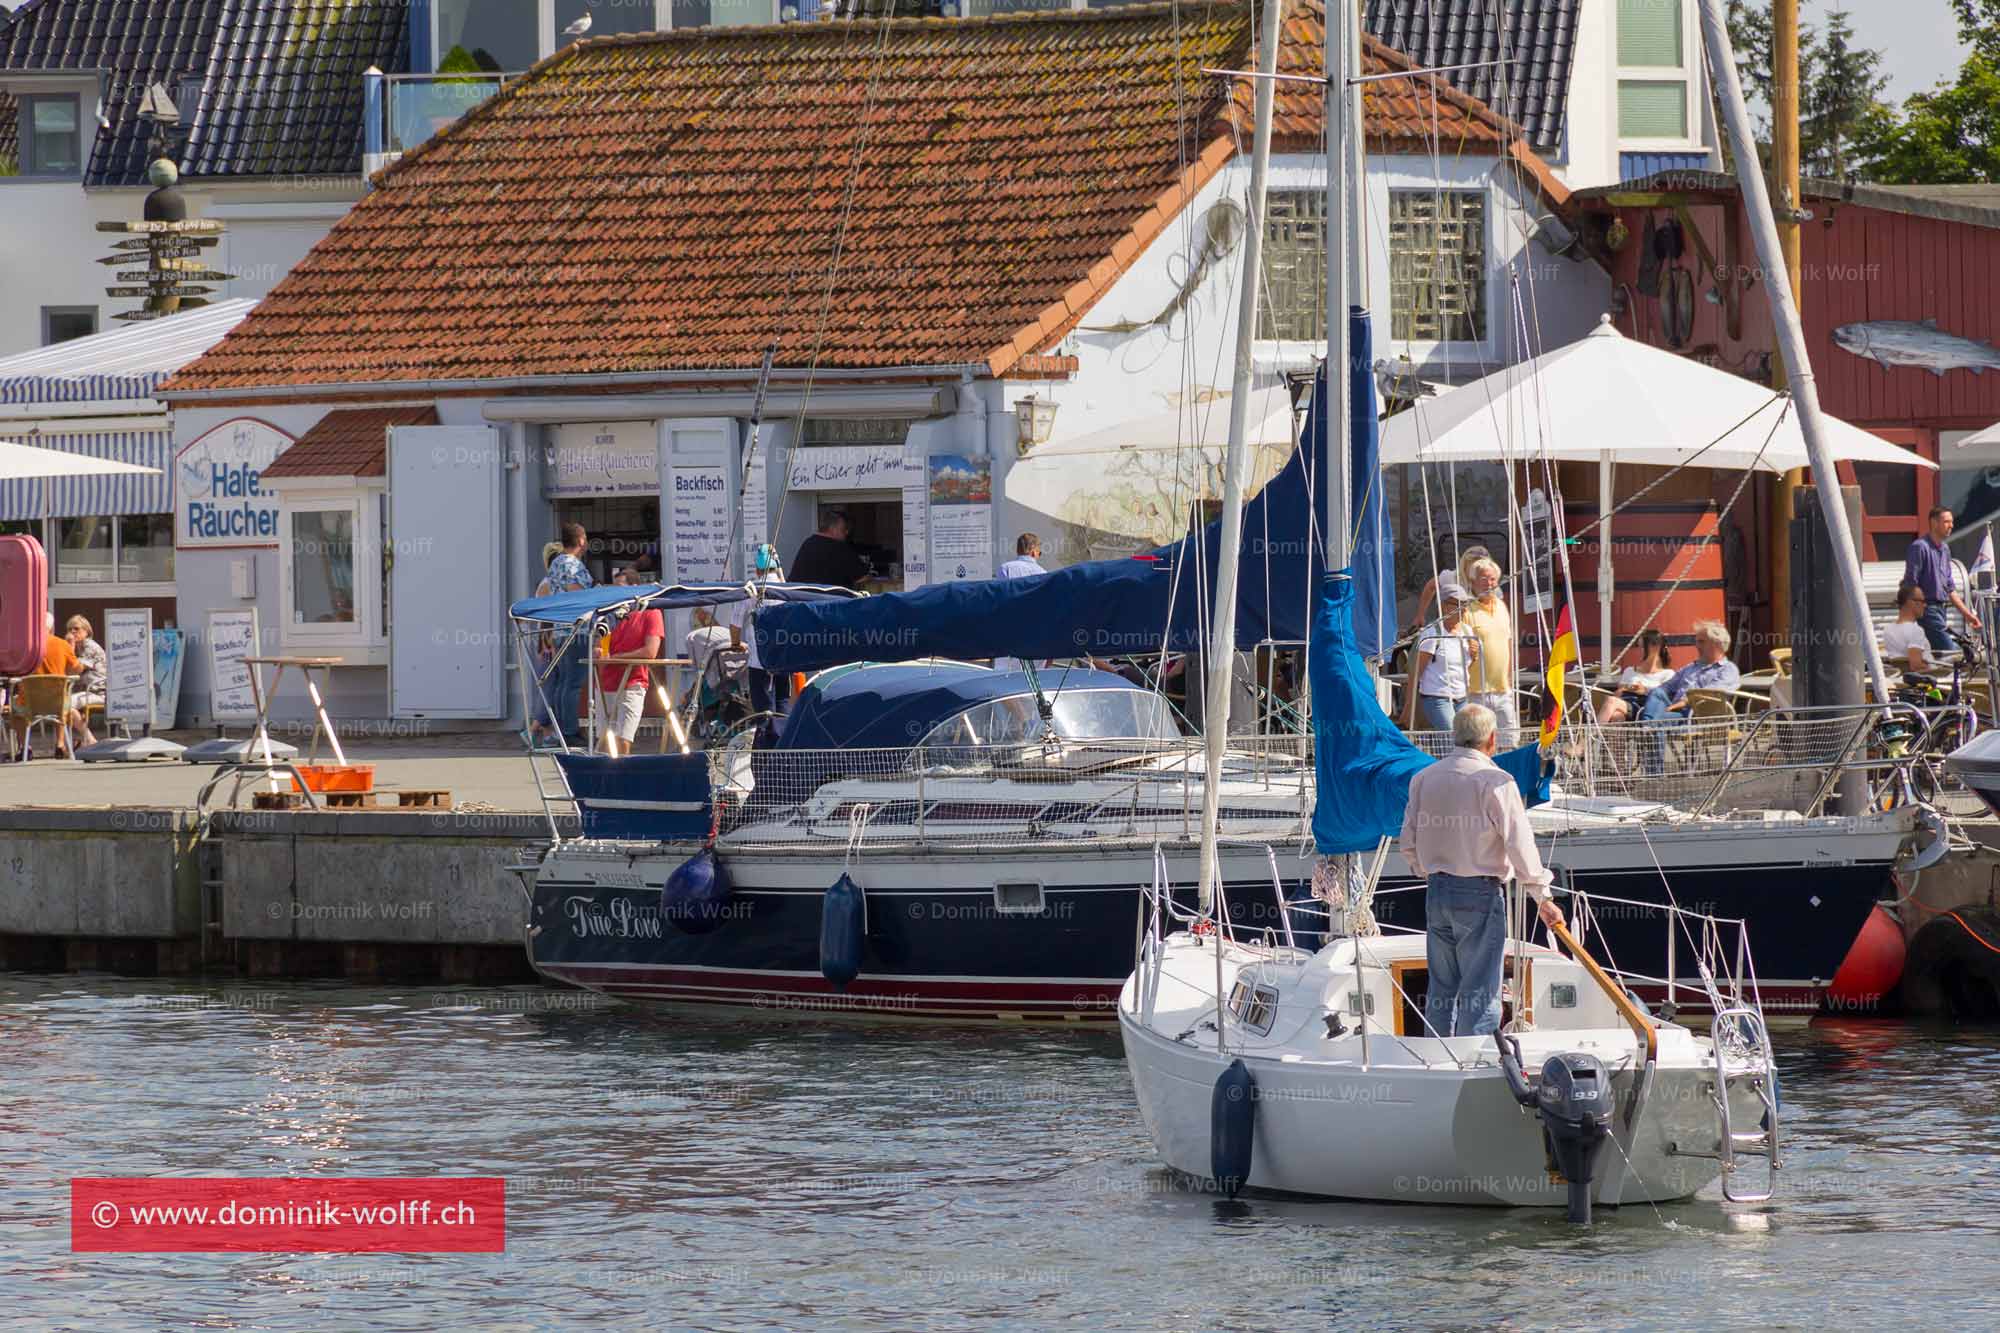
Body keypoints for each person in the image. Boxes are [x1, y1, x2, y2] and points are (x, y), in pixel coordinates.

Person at [1400, 703, 1565, 1038]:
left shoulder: (1423, 778)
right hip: (1478, 893)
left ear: (1455, 737)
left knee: (1441, 988)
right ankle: (1472, 1060)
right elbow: (1519, 844)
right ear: (1492, 739)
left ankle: (1438, 1054)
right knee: (1480, 990)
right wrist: (1542, 896)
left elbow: (1408, 840)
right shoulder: (1497, 782)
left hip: (1437, 890)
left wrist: (1426, 869)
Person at [1636, 620, 1741, 773]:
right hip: (1678, 714)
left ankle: (1654, 774)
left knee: (1657, 723)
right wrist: (1644, 689)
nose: (1696, 646)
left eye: (1701, 641)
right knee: (1657, 693)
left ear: (1717, 644)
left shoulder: (1727, 669)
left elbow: (1712, 693)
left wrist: (1685, 701)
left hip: (1700, 717)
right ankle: (1647, 725)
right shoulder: (1690, 667)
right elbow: (1666, 687)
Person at [1402, 578, 1479, 733]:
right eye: (1458, 604)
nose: (1463, 609)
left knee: (1466, 739)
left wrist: (1474, 655)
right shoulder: (1431, 634)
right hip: (1436, 698)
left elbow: (1464, 667)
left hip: (1462, 697)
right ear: (1444, 606)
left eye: (1465, 604)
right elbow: (1415, 673)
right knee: (1451, 738)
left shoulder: (1468, 632)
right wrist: (1408, 706)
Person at [1905, 506, 1982, 654]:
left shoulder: (1945, 549)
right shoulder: (1919, 547)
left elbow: (1949, 587)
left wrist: (1968, 615)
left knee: (1939, 654)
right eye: (1947, 522)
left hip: (1941, 608)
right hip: (1927, 607)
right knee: (1950, 651)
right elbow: (1910, 583)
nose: (1951, 526)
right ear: (1934, 523)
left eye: (1951, 522)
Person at [545, 522, 595, 748]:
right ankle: (569, 731)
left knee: (564, 682)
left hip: (560, 629)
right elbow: (577, 592)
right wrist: (596, 593)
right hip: (576, 630)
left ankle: (559, 729)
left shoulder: (556, 562)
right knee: (573, 683)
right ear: (581, 540)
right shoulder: (572, 564)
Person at [726, 545, 791, 715]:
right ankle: (783, 738)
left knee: (763, 710)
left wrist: (736, 643)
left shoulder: (751, 590)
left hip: (758, 661)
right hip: (784, 659)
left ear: (756, 569)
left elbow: (735, 623)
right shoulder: (788, 589)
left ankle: (766, 739)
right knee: (782, 703)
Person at [1460, 557, 1517, 741]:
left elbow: (1508, 643)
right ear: (1473, 582)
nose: (1489, 583)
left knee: (1510, 741)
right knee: (1480, 742)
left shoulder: (1502, 607)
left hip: (1503, 689)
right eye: (1483, 579)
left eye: (1492, 579)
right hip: (1476, 692)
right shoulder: (1466, 610)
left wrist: (1510, 678)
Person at [596, 602, 664, 758]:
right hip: (604, 683)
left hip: (633, 682)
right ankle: (606, 778)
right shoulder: (609, 611)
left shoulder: (651, 612)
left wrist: (614, 658)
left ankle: (621, 776)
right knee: (604, 741)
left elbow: (650, 651)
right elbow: (601, 645)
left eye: (623, 585)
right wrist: (599, 651)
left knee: (623, 739)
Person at [1593, 628, 1674, 725]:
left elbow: (1664, 698)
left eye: (1642, 647)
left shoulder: (1667, 674)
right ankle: (1607, 739)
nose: (1639, 651)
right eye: (1638, 647)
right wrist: (1627, 688)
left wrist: (1645, 690)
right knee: (1616, 715)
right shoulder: (1629, 671)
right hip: (1627, 705)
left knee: (1611, 702)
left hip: (1646, 708)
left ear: (1655, 648)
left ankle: (1593, 735)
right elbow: (1618, 694)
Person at [1407, 545, 1491, 634]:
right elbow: (1430, 587)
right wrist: (1420, 615)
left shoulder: (1490, 582)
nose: (1477, 569)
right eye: (1474, 565)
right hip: (1451, 631)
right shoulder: (1451, 577)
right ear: (1465, 564)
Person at [994, 534, 1047, 671]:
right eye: (1039, 553)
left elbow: (1000, 600)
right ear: (1034, 551)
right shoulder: (1043, 573)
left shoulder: (1005, 568)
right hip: (1035, 634)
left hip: (1008, 633)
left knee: (1004, 679)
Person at [790, 510, 871, 589]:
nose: (847, 532)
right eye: (844, 529)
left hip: (800, 598)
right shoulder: (839, 548)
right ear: (833, 528)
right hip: (830, 600)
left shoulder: (808, 543)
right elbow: (862, 577)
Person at [64, 615, 106, 749]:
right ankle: (71, 743)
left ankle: (89, 740)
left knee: (65, 705)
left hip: (99, 692)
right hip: (85, 691)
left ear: (86, 631)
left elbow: (74, 670)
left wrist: (69, 647)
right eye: (70, 629)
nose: (72, 632)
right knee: (61, 703)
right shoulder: (78, 647)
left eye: (76, 629)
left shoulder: (90, 646)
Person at [1883, 580, 1938, 674]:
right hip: (1926, 681)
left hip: (1901, 677)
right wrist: (1937, 670)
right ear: (1910, 602)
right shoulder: (1916, 630)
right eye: (1922, 601)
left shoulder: (1888, 629)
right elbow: (1916, 666)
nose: (1925, 605)